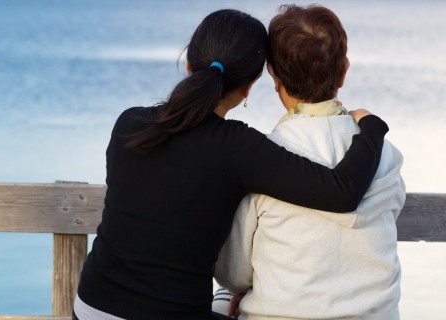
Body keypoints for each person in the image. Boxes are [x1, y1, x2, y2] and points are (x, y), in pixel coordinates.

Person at [74, 8, 390, 320]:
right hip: (173, 314)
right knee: (228, 299)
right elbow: (343, 193)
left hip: (90, 306)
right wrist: (372, 126)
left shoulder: (130, 122)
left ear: (188, 65)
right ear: (251, 84)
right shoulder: (239, 148)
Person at [214, 4, 405, 320]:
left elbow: (234, 274)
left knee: (222, 296)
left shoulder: (262, 159)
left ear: (273, 75)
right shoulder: (386, 155)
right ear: (343, 71)